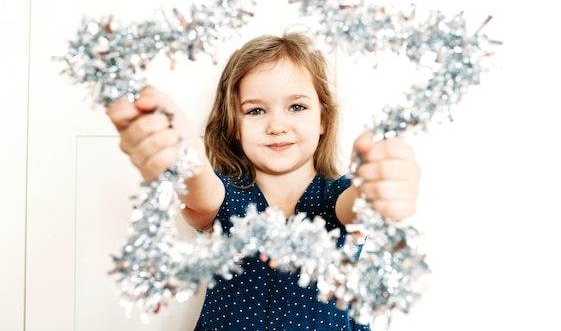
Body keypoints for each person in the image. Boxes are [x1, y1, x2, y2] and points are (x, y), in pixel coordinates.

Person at [107, 31, 422, 330]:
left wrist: (379, 185)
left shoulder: (337, 198)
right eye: (256, 110)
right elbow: (200, 188)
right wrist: (182, 157)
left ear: (323, 119)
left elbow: (360, 202)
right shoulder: (225, 197)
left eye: (296, 107)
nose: (277, 125)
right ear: (234, 126)